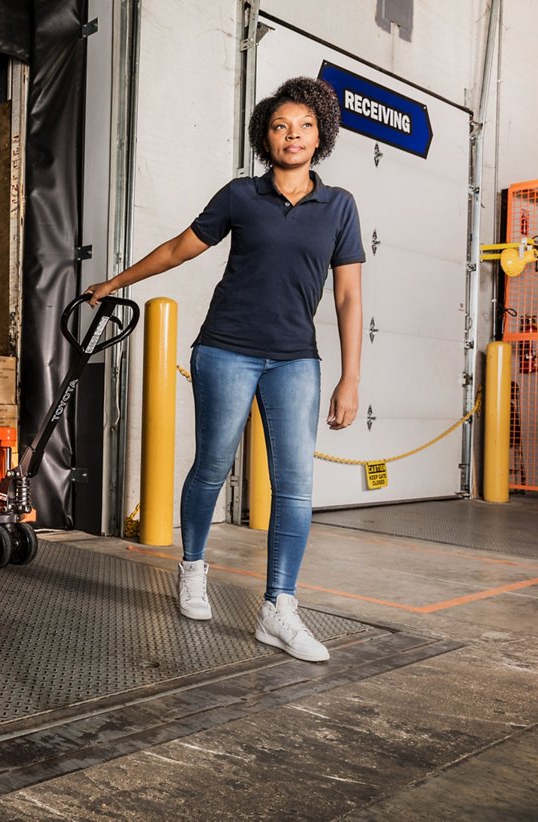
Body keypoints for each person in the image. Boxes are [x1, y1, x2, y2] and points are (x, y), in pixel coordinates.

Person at [86, 76, 364, 663]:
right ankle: (192, 568)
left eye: (305, 126)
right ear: (266, 137)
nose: (294, 135)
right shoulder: (240, 195)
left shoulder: (339, 206)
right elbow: (178, 249)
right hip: (226, 349)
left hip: (295, 360)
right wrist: (114, 283)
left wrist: (350, 377)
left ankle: (279, 610)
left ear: (322, 136)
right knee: (211, 465)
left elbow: (347, 298)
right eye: (281, 126)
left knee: (295, 486)